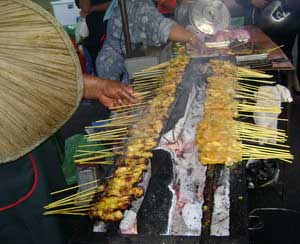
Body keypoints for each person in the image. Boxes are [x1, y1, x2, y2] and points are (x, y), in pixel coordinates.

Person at [0, 75, 137, 244]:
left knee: (60, 223)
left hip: (34, 150)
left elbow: (25, 75)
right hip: (11, 179)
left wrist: (97, 87)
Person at [96, 0, 202, 83]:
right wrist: (191, 38)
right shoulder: (135, 4)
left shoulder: (144, 2)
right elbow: (161, 27)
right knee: (120, 103)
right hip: (114, 66)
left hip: (128, 56)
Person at [76, 0, 111, 74]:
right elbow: (85, 8)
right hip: (93, 42)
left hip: (112, 36)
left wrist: (93, 8)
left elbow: (116, 3)